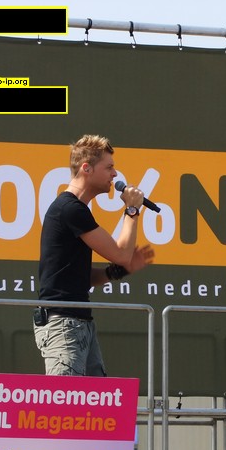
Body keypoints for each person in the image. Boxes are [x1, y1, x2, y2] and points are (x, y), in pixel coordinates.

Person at [33, 134, 155, 376]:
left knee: (96, 399)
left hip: (79, 323)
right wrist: (132, 209)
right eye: (109, 167)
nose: (115, 174)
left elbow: (80, 276)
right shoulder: (70, 209)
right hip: (64, 324)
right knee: (64, 398)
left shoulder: (75, 210)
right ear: (86, 168)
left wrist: (116, 272)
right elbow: (121, 253)